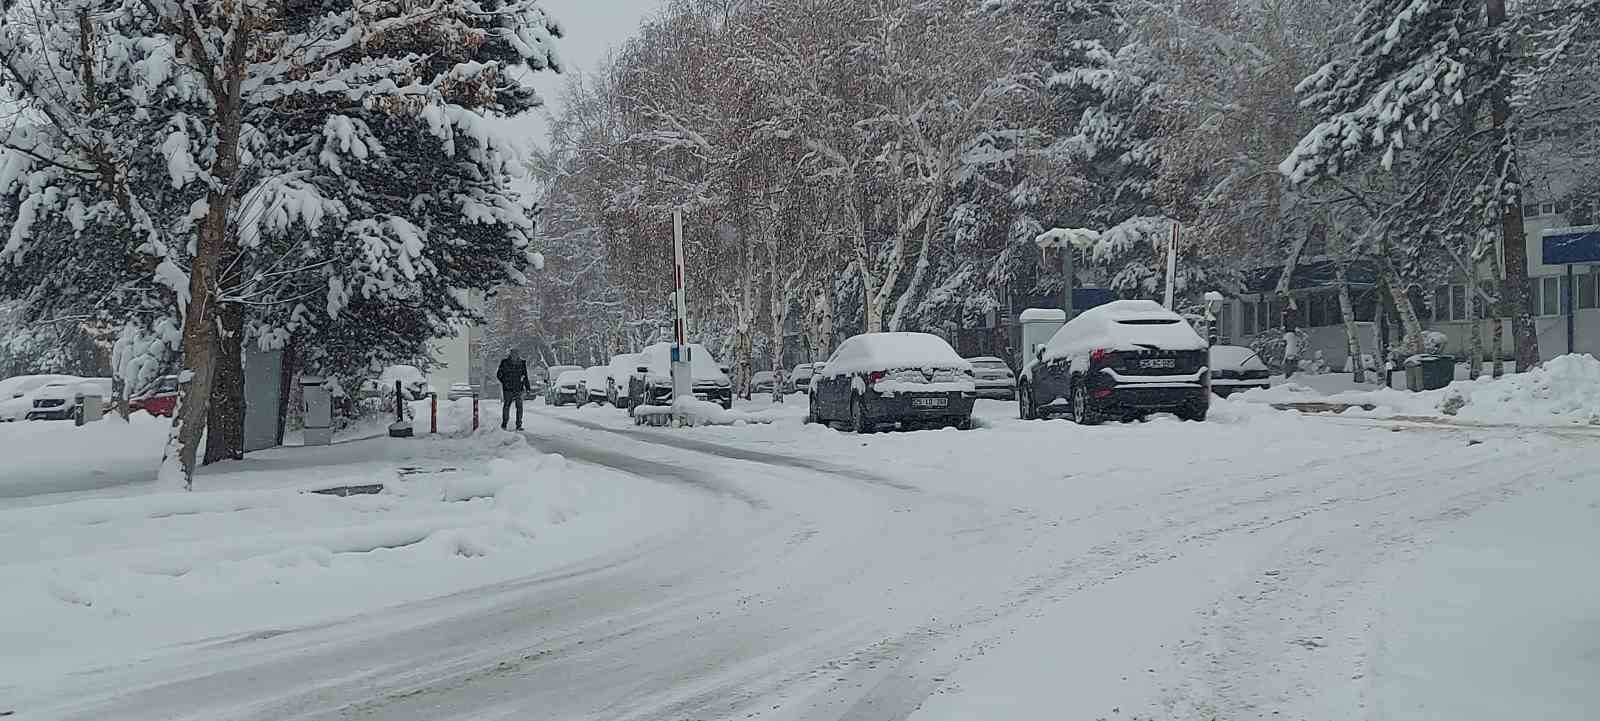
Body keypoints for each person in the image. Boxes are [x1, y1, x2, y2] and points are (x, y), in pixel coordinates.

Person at [497, 349, 530, 430]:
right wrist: (505, 382)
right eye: (513, 354)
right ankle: (504, 423)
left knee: (519, 407)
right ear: (510, 355)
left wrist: (528, 387)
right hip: (508, 389)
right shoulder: (505, 362)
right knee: (507, 405)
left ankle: (519, 425)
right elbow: (499, 374)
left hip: (519, 388)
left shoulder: (522, 363)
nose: (515, 356)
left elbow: (525, 376)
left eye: (517, 354)